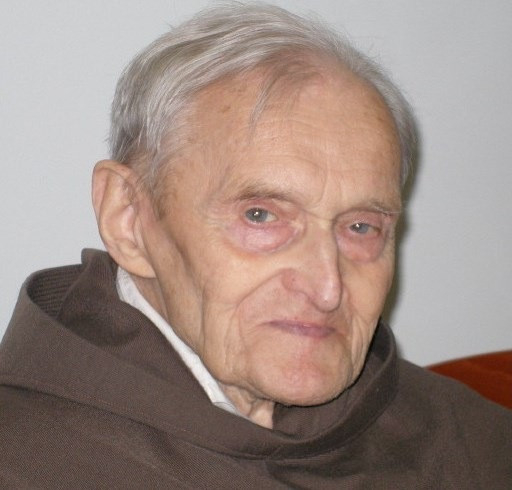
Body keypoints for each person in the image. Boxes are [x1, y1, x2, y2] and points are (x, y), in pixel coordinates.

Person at [0, 3, 510, 488]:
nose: (327, 288)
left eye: (360, 227)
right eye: (261, 216)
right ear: (129, 219)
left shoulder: (473, 442)